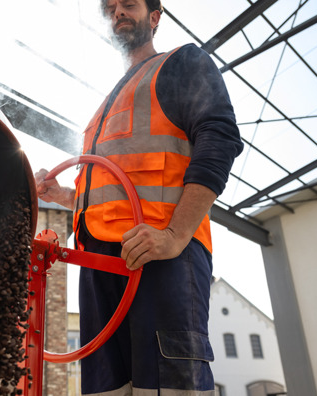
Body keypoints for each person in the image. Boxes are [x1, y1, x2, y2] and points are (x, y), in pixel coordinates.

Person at [35, 0, 244, 394]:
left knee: (168, 386)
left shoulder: (182, 64)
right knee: (106, 388)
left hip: (161, 255)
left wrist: (175, 235)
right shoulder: (102, 107)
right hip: (98, 265)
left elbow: (220, 138)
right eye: (110, 7)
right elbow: (112, 183)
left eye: (128, 3)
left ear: (155, 17)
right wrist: (65, 195)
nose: (117, 12)